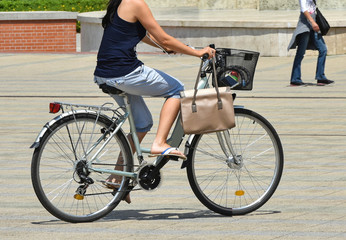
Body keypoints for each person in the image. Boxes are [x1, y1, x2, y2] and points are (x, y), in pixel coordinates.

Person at [93, 0, 215, 203]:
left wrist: (164, 47)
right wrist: (196, 52)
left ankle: (116, 177)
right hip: (124, 72)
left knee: (142, 124)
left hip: (106, 74)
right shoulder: (136, 2)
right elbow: (164, 38)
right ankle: (160, 142)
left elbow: (141, 34)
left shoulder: (120, 3)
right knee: (176, 89)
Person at [287, 0, 334, 86]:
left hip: (314, 24)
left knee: (323, 49)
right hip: (305, 25)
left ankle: (320, 77)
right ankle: (295, 79)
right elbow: (303, 9)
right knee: (300, 53)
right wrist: (312, 22)